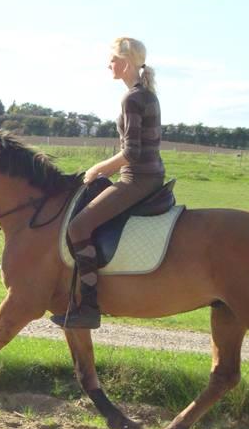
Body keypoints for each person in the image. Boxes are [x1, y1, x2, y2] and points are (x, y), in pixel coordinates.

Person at [52, 37, 165, 329]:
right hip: (147, 175)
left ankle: (88, 306)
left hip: (138, 179)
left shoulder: (132, 98)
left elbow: (132, 153)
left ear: (125, 63)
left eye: (113, 59)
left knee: (78, 227)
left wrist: (98, 168)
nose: (109, 65)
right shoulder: (144, 94)